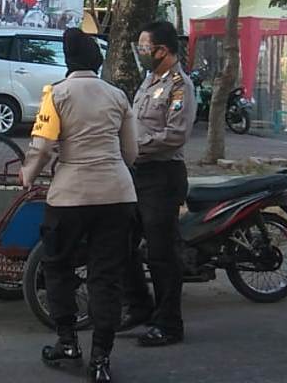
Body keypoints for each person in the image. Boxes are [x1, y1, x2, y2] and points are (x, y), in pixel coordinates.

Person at [20, 28, 137, 383]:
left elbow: (41, 147)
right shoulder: (118, 96)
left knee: (58, 268)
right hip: (117, 195)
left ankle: (67, 341)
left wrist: (28, 174)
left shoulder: (56, 95)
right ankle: (101, 358)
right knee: (106, 278)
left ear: (68, 62)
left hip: (70, 197)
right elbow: (131, 152)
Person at [121, 20, 193, 346]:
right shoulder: (150, 80)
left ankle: (169, 324)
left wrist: (138, 147)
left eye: (145, 47)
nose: (141, 51)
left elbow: (175, 136)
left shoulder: (180, 86)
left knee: (161, 253)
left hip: (162, 176)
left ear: (162, 50)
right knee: (121, 243)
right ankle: (140, 307)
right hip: (138, 174)